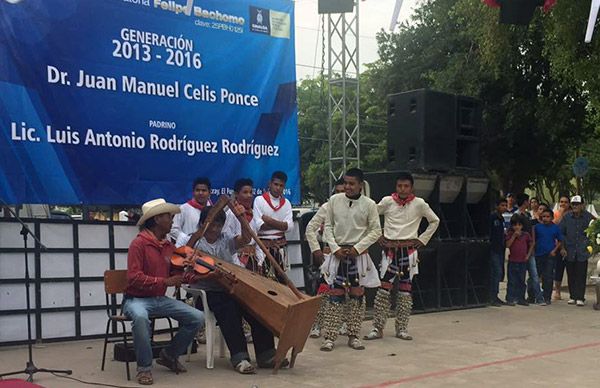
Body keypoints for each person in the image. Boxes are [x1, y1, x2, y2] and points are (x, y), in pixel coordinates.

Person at [177, 207, 287, 374]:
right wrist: (210, 277)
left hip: (230, 288)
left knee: (256, 307)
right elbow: (186, 272)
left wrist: (241, 218)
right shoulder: (194, 241)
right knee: (229, 309)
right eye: (212, 225)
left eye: (219, 225)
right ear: (203, 224)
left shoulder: (225, 239)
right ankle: (240, 357)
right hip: (206, 293)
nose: (215, 229)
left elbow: (245, 239)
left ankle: (266, 354)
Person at [123, 198, 204, 385]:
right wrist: (165, 281)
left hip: (158, 298)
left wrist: (194, 274)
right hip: (135, 299)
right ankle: (144, 368)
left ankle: (169, 355)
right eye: (169, 216)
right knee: (141, 318)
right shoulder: (139, 244)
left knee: (197, 318)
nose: (172, 220)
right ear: (157, 219)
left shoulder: (169, 246)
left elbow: (177, 274)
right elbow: (133, 277)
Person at [363, 172, 439, 341]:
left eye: (406, 186)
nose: (402, 189)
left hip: (409, 252)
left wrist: (422, 239)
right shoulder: (387, 201)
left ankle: (402, 328)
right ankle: (377, 327)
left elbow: (435, 220)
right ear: (396, 187)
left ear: (411, 187)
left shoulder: (419, 204)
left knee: (405, 292)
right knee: (383, 290)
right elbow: (370, 215)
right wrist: (378, 235)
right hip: (390, 252)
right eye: (399, 186)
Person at [320, 168, 381, 351]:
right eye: (345, 183)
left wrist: (358, 248)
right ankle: (329, 337)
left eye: (352, 183)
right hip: (338, 254)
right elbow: (328, 226)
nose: (347, 187)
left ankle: (353, 336)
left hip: (358, 255)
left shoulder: (369, 205)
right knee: (335, 295)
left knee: (357, 296)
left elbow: (376, 231)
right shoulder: (334, 200)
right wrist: (335, 248)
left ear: (361, 185)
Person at [305, 179, 346, 338]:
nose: (341, 195)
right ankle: (316, 324)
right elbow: (310, 229)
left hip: (349, 255)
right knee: (323, 290)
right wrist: (316, 250)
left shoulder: (356, 207)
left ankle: (342, 323)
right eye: (337, 192)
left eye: (343, 191)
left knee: (346, 290)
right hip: (328, 256)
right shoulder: (327, 207)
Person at [252, 171, 293, 281]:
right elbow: (259, 226)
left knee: (281, 280)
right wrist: (280, 225)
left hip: (280, 248)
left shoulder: (287, 203)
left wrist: (268, 220)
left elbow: (289, 227)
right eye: (276, 184)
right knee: (263, 280)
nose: (278, 188)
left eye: (281, 186)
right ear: (270, 183)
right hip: (263, 248)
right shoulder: (259, 200)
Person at [559, 195, 596, 306]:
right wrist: (562, 247)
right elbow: (561, 233)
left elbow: (594, 231)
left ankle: (580, 297)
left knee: (581, 274)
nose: (575, 206)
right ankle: (572, 296)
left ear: (582, 205)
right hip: (569, 249)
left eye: (577, 204)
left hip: (582, 250)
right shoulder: (566, 217)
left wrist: (591, 248)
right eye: (573, 204)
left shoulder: (588, 217)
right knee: (571, 274)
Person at [514, 193, 543, 305]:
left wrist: (532, 243)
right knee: (520, 275)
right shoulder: (517, 216)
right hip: (521, 249)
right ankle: (519, 296)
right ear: (525, 202)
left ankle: (538, 297)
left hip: (529, 248)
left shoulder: (527, 215)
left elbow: (531, 230)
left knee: (534, 275)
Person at [533, 208, 563, 304]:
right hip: (538, 254)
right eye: (544, 216)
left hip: (550, 255)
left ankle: (547, 297)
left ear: (552, 217)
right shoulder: (537, 227)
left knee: (548, 277)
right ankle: (532, 296)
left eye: (547, 216)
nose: (545, 218)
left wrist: (554, 250)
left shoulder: (555, 228)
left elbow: (560, 240)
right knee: (535, 276)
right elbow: (533, 240)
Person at [170, 177, 213, 242]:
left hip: (208, 250)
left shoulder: (214, 210)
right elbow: (173, 229)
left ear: (210, 193)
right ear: (193, 192)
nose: (200, 193)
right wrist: (188, 239)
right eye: (197, 190)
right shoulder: (183, 208)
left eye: (204, 190)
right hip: (187, 248)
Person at [505, 214, 534, 306]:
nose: (517, 227)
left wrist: (528, 255)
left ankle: (521, 298)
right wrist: (514, 236)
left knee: (521, 281)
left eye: (519, 225)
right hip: (513, 261)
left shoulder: (526, 235)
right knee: (512, 281)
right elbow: (507, 245)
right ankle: (510, 298)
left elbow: (531, 244)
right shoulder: (510, 234)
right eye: (515, 225)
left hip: (522, 261)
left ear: (522, 225)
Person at [489, 198, 508, 306]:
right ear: (497, 206)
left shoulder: (501, 219)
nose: (504, 207)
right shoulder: (493, 217)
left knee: (499, 273)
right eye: (502, 205)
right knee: (495, 272)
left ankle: (495, 295)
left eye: (505, 205)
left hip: (500, 249)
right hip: (493, 249)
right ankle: (492, 296)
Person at [553, 195, 571, 300]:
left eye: (565, 202)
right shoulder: (556, 213)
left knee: (571, 270)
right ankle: (557, 291)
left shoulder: (572, 215)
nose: (563, 204)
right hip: (558, 245)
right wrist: (560, 213)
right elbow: (555, 225)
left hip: (570, 245)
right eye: (561, 201)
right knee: (558, 269)